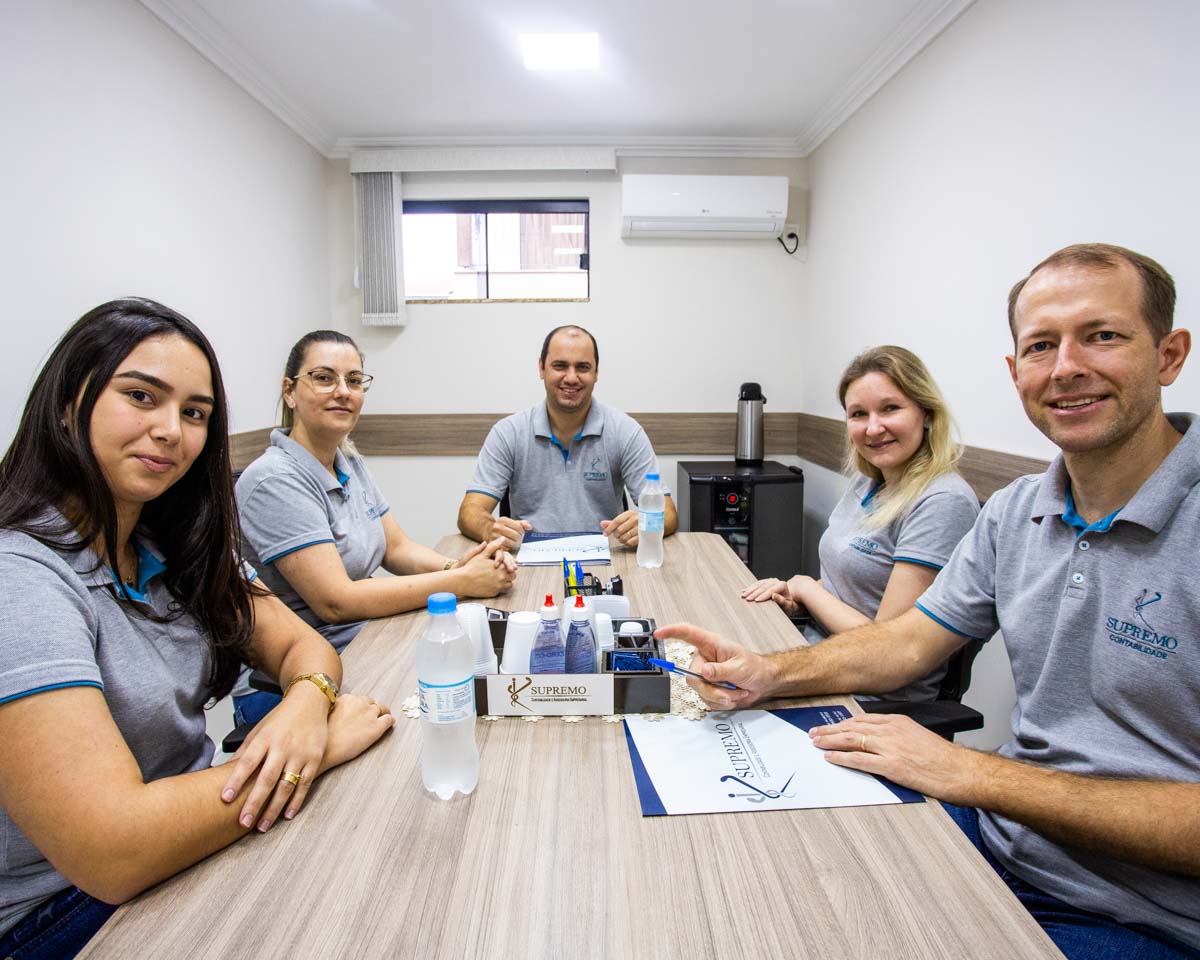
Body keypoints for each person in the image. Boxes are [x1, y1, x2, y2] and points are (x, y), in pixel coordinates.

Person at [659, 244, 1199, 960]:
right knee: (771, 891)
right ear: (1015, 373)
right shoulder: (1016, 512)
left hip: (1140, 916)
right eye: (1041, 345)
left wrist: (974, 773)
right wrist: (769, 672)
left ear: (1169, 355)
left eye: (1102, 335)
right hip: (1005, 844)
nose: (1067, 366)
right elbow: (908, 642)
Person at [0, 300, 394, 959]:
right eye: (141, 397)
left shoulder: (172, 545)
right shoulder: (22, 578)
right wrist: (314, 751)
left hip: (187, 839)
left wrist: (307, 704)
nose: (169, 431)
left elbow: (301, 643)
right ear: (70, 403)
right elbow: (113, 850)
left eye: (194, 413)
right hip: (66, 913)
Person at [234, 330, 516, 726]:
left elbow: (395, 548)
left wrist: (460, 568)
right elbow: (336, 601)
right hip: (298, 687)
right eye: (323, 377)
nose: (342, 391)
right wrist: (462, 582)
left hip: (366, 645)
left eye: (354, 380)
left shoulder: (347, 460)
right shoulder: (274, 480)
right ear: (289, 391)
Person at [741, 346, 979, 700]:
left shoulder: (942, 502)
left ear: (926, 413)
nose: (873, 428)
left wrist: (807, 587)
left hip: (872, 696)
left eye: (890, 409)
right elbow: (848, 581)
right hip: (821, 656)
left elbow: (887, 648)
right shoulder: (868, 480)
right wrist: (797, 598)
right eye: (858, 414)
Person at [457, 324, 678, 549]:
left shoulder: (625, 431)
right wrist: (489, 528)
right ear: (541, 368)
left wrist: (646, 524)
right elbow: (470, 511)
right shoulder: (508, 433)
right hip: (526, 565)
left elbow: (668, 513)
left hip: (605, 562)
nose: (571, 378)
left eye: (582, 367)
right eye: (560, 366)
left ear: (596, 373)